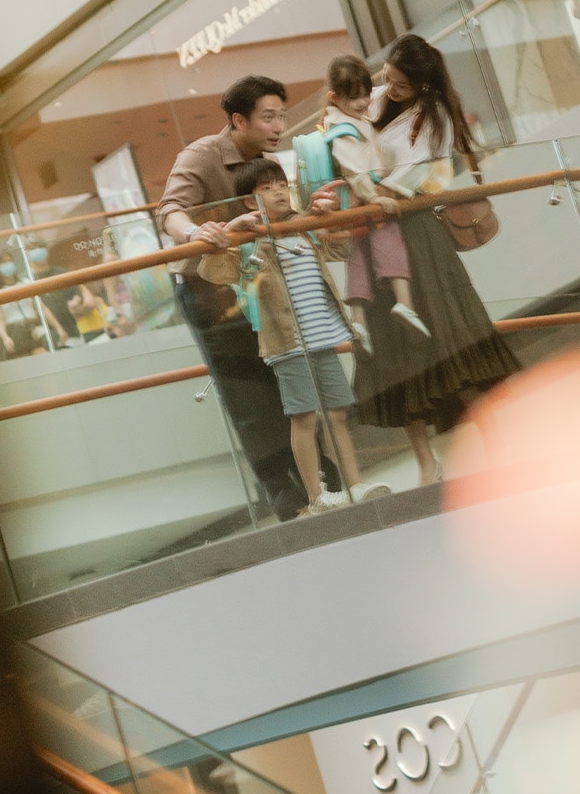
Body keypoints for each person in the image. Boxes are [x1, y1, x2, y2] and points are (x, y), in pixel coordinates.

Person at [158, 74, 341, 522]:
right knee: (252, 401)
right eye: (268, 117)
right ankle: (291, 502)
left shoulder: (269, 161)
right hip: (213, 292)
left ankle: (324, 486)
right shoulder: (201, 155)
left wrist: (311, 212)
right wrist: (195, 231)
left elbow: (283, 218)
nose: (278, 125)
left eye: (281, 115)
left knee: (294, 381)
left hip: (264, 286)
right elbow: (170, 211)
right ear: (238, 120)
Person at [354, 35, 520, 483]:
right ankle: (427, 461)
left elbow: (416, 172)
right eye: (389, 77)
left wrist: (378, 190)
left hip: (415, 231)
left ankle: (497, 444)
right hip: (372, 231)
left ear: (423, 85)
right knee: (394, 349)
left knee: (449, 335)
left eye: (403, 85)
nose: (391, 88)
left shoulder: (435, 116)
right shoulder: (370, 99)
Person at [200, 158, 390, 516]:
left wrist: (325, 218)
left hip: (322, 335)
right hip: (287, 344)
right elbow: (212, 269)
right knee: (304, 417)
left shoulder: (302, 226)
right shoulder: (248, 240)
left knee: (336, 414)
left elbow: (341, 248)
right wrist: (232, 229)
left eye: (281, 185)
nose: (278, 192)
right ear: (248, 200)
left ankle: (354, 484)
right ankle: (317, 495)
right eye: (266, 188)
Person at [323, 54, 430, 353]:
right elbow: (354, 169)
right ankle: (404, 302)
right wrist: (375, 196)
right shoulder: (343, 129)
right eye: (353, 98)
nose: (363, 103)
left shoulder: (349, 120)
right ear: (334, 97)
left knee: (357, 258)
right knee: (389, 239)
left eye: (366, 95)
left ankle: (358, 321)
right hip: (365, 197)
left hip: (355, 201)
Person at [0, 255, 69, 358]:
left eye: (10, 261)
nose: (8, 264)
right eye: (3, 262)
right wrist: (5, 338)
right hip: (16, 331)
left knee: (53, 347)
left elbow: (42, 308)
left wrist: (58, 328)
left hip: (34, 327)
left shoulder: (25, 283)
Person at [26, 242, 98, 344]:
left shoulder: (61, 273)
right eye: (33, 248)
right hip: (54, 336)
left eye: (40, 247)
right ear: (27, 254)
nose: (38, 250)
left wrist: (77, 302)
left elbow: (79, 297)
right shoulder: (29, 281)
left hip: (79, 331)